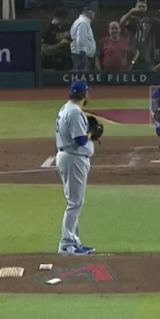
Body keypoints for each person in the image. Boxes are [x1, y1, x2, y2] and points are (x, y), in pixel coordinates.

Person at [54, 79, 99, 255]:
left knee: (74, 201)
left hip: (69, 157)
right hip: (73, 158)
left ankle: (74, 241)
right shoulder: (74, 112)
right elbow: (80, 140)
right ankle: (66, 244)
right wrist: (91, 132)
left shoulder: (66, 108)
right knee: (75, 202)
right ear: (84, 94)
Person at [120, 0, 160, 68]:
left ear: (146, 9)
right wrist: (130, 12)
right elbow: (121, 23)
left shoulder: (152, 21)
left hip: (148, 58)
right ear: (135, 7)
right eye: (139, 6)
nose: (141, 8)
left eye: (143, 7)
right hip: (132, 57)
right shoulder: (131, 19)